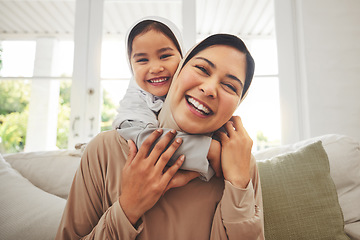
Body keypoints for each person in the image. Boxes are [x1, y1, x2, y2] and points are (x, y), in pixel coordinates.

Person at [56, 33, 264, 239]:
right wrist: (128, 208)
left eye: (229, 86)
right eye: (201, 69)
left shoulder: (239, 164)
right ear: (178, 72)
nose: (209, 89)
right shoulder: (106, 149)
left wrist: (237, 184)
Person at [112, 17, 218, 180]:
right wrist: (209, 150)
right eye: (142, 60)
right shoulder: (135, 100)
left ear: (183, 57)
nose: (155, 68)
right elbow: (143, 138)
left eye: (165, 56)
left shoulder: (197, 91)